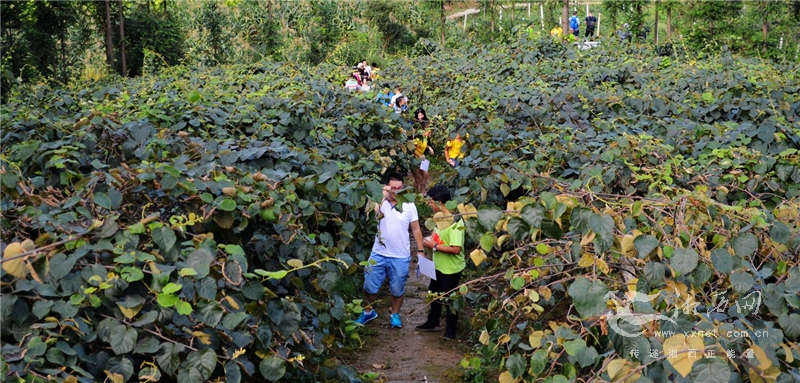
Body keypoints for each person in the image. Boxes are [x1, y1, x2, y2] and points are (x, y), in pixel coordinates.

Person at [355, 172, 425, 329]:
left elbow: (416, 228)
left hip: (400, 255)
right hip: (378, 253)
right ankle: (368, 312)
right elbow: (376, 215)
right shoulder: (380, 202)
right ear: (386, 187)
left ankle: (395, 314)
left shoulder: (408, 205)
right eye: (393, 188)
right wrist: (382, 196)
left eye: (399, 188)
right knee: (369, 286)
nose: (396, 191)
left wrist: (420, 250)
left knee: (397, 288)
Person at [415, 185, 466, 340]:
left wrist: (435, 246)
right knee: (435, 294)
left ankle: (451, 329)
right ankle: (433, 321)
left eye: (431, 202)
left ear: (439, 202)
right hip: (439, 265)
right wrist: (430, 240)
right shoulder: (438, 218)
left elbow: (456, 249)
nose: (429, 205)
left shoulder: (455, 222)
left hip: (451, 268)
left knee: (450, 298)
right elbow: (437, 235)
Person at [410, 108, 434, 194]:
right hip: (415, 159)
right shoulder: (418, 137)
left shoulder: (425, 137)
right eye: (428, 129)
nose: (430, 131)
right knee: (418, 178)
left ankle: (422, 193)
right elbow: (412, 148)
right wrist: (419, 156)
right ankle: (414, 193)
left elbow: (424, 144)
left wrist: (429, 147)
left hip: (422, 158)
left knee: (426, 175)